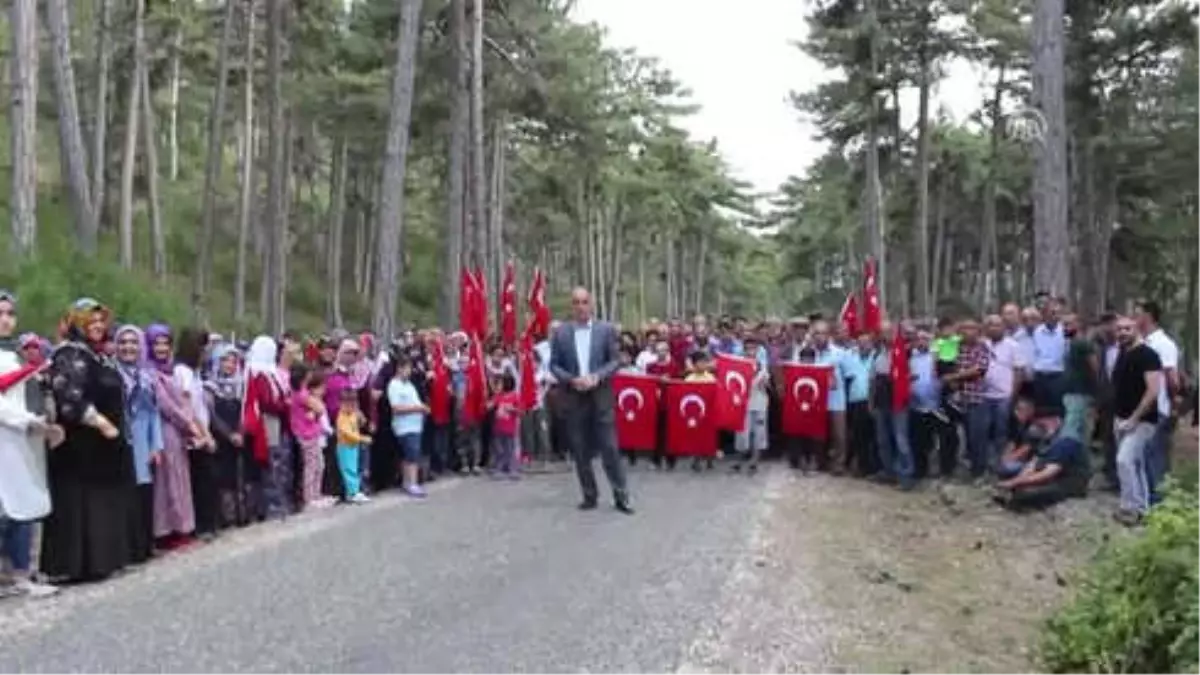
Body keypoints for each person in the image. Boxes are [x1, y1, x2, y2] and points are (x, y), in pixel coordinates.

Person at [41, 298, 136, 583]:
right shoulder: (69, 354)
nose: (97, 327)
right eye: (90, 322)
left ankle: (100, 561)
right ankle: (73, 565)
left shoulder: (99, 356)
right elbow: (69, 396)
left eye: (100, 322)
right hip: (80, 447)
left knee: (101, 503)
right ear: (76, 324)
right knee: (78, 503)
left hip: (102, 451)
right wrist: (100, 421)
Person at [549, 287, 633, 514]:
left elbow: (615, 361)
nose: (580, 307)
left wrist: (597, 376)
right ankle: (589, 494)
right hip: (574, 396)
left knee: (610, 447)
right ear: (571, 306)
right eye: (576, 302)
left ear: (592, 304)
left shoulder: (605, 330)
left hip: (600, 395)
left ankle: (621, 495)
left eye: (584, 302)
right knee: (579, 449)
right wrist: (571, 379)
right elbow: (554, 364)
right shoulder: (562, 333)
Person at [0, 291, 57, 597]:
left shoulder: (16, 355)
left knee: (21, 506)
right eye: (0, 313)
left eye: (9, 313)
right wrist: (29, 421)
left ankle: (21, 574)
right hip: (6, 436)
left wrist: (38, 423)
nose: (5, 319)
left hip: (18, 441)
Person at [145, 324, 200, 549]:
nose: (161, 348)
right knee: (167, 483)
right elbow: (165, 404)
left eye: (165, 343)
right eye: (156, 343)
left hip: (178, 431)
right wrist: (188, 423)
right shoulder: (150, 372)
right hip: (164, 430)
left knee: (179, 480)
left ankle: (182, 527)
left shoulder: (172, 369)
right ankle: (168, 530)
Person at [113, 325, 162, 563]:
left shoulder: (146, 377)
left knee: (144, 492)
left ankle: (144, 546)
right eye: (122, 342)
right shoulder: (112, 374)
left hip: (143, 440)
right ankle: (126, 549)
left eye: (133, 342)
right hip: (122, 441)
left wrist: (156, 446)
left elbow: (154, 413)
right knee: (125, 495)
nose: (128, 347)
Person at [1110, 316, 1162, 525]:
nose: (1122, 333)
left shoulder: (1148, 355)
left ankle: (1130, 508)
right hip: (1120, 418)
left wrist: (1134, 418)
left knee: (1124, 460)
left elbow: (1153, 391)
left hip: (1142, 420)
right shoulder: (1123, 353)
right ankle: (1141, 509)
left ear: (1137, 329)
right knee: (1134, 464)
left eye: (1127, 329)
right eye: (1119, 329)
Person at [387, 357, 428, 497]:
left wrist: (422, 408)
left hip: (415, 426)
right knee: (412, 455)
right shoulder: (394, 385)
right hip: (405, 427)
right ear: (399, 368)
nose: (409, 372)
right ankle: (413, 483)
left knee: (407, 455)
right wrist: (417, 408)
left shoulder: (409, 385)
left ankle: (406, 481)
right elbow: (396, 408)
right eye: (407, 368)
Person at [335, 388, 372, 503]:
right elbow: (347, 433)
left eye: (354, 405)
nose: (352, 408)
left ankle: (353, 491)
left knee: (354, 469)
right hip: (345, 447)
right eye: (349, 405)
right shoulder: (341, 418)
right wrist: (362, 439)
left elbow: (359, 425)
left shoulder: (352, 415)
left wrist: (361, 418)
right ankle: (353, 493)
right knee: (349, 470)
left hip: (353, 446)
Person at [489, 373, 522, 479]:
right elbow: (489, 405)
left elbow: (521, 411)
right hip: (498, 428)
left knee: (510, 449)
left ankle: (512, 469)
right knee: (499, 450)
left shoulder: (515, 396)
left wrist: (512, 409)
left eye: (500, 383)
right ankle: (500, 468)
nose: (498, 386)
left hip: (510, 428)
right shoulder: (499, 396)